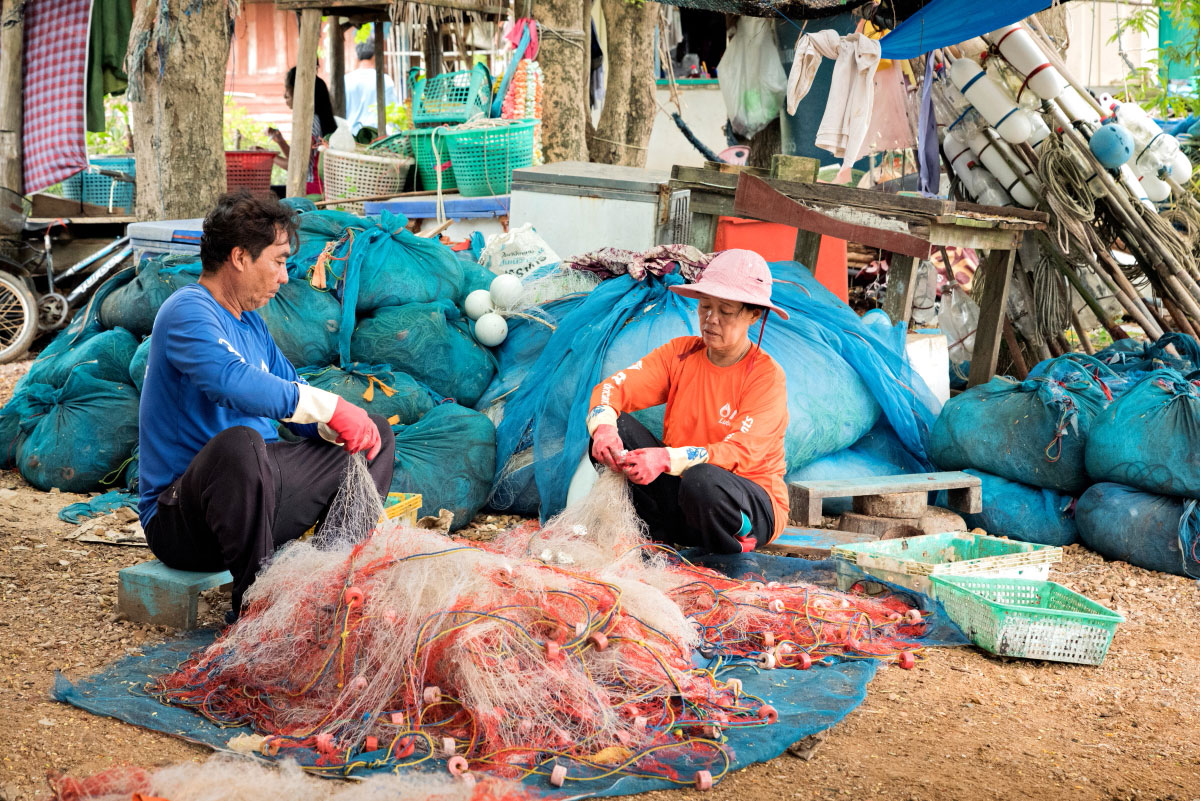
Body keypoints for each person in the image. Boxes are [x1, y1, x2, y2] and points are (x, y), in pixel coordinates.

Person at [137, 191, 395, 621]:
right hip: (181, 520)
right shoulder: (186, 311)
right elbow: (229, 382)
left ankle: (331, 582)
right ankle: (257, 606)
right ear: (239, 257)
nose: (284, 276)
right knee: (240, 444)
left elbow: (288, 391)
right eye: (277, 261)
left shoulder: (252, 323)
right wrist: (328, 405)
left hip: (258, 503)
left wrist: (336, 426)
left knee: (375, 435)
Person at [586, 249, 789, 553]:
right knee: (618, 429)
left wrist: (665, 458)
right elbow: (612, 388)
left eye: (726, 310)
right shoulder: (680, 353)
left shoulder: (766, 376)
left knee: (703, 480)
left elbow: (739, 452)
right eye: (705, 306)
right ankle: (657, 537)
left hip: (745, 500)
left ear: (753, 314)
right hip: (682, 494)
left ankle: (729, 553)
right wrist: (603, 429)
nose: (711, 319)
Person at [267, 68, 338, 195]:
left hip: (312, 189)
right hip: (318, 186)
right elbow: (299, 158)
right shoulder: (318, 120)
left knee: (268, 194)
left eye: (287, 88)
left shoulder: (309, 123)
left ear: (300, 91)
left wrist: (267, 157)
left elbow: (296, 166)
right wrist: (281, 142)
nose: (284, 95)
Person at [344, 39, 397, 136]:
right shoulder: (385, 80)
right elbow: (393, 115)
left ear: (357, 55)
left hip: (351, 139)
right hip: (377, 139)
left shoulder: (345, 80)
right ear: (375, 56)